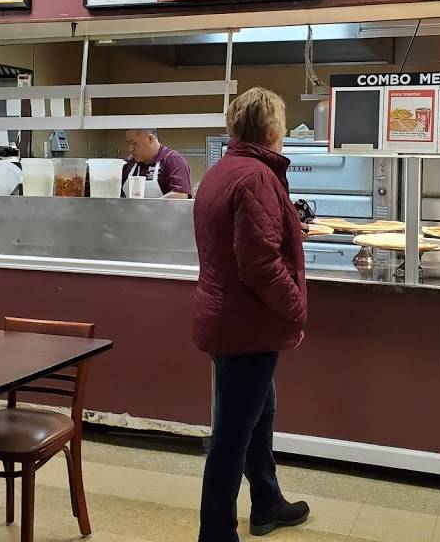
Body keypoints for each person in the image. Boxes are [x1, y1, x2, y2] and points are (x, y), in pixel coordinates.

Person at [192, 87, 309, 542]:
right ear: (272, 129)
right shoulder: (257, 177)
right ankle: (215, 533)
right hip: (248, 324)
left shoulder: (221, 170)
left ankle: (267, 501)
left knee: (260, 415)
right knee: (231, 437)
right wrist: (296, 310)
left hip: (227, 317)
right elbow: (259, 266)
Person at [121, 128, 192, 198]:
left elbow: (180, 195)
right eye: (129, 144)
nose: (130, 149)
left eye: (134, 143)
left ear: (150, 139)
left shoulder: (173, 160)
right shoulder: (130, 163)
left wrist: (151, 205)